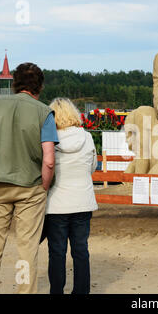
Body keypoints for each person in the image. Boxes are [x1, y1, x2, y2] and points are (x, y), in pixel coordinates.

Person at [0, 62, 58, 294]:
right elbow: (49, 159)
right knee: (26, 250)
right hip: (30, 188)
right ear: (40, 86)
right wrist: (44, 186)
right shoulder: (44, 112)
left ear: (14, 84)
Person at [45, 98, 98, 294]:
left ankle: (57, 291)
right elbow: (92, 167)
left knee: (57, 252)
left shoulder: (49, 140)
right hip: (83, 202)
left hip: (56, 205)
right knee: (81, 251)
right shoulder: (87, 137)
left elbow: (46, 168)